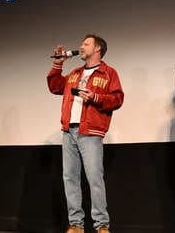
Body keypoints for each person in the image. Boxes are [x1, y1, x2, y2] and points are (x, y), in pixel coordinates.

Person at [46, 34, 124, 233]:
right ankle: (76, 224)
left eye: (86, 44)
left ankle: (101, 225)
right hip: (69, 130)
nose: (81, 46)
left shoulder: (108, 73)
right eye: (81, 43)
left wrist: (96, 97)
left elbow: (117, 99)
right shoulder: (75, 72)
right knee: (70, 178)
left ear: (97, 49)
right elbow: (55, 87)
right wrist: (57, 65)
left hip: (90, 131)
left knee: (94, 178)